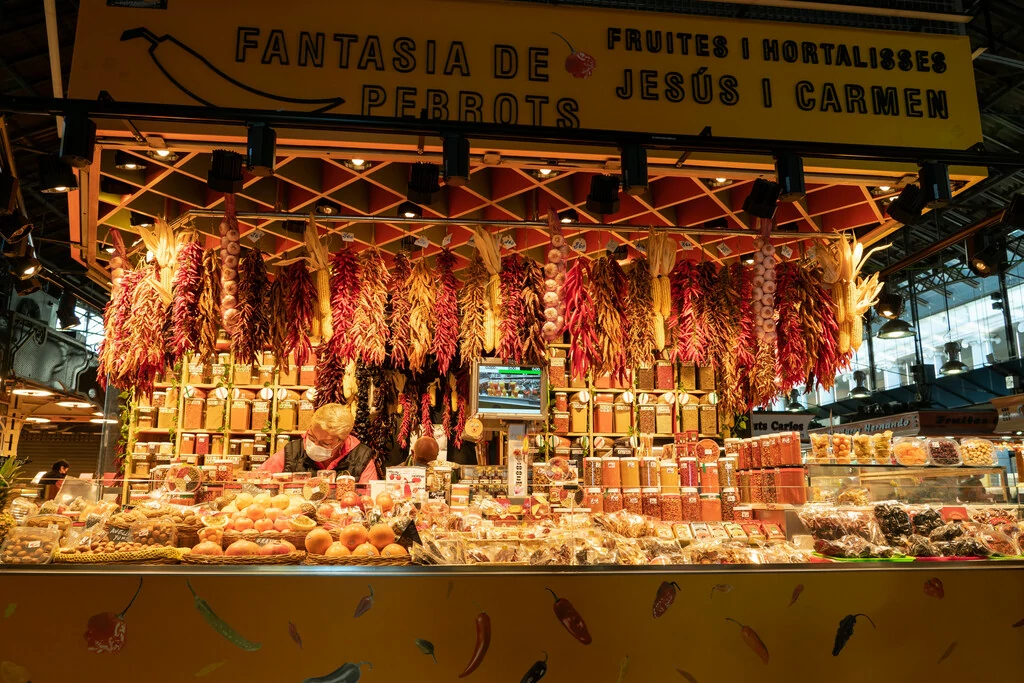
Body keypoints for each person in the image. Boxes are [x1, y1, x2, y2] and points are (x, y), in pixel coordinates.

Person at [258, 404, 378, 483]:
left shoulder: (361, 457)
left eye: (325, 443)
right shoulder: (293, 451)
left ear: (342, 441)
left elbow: (368, 500)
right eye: (311, 437)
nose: (315, 444)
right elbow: (256, 480)